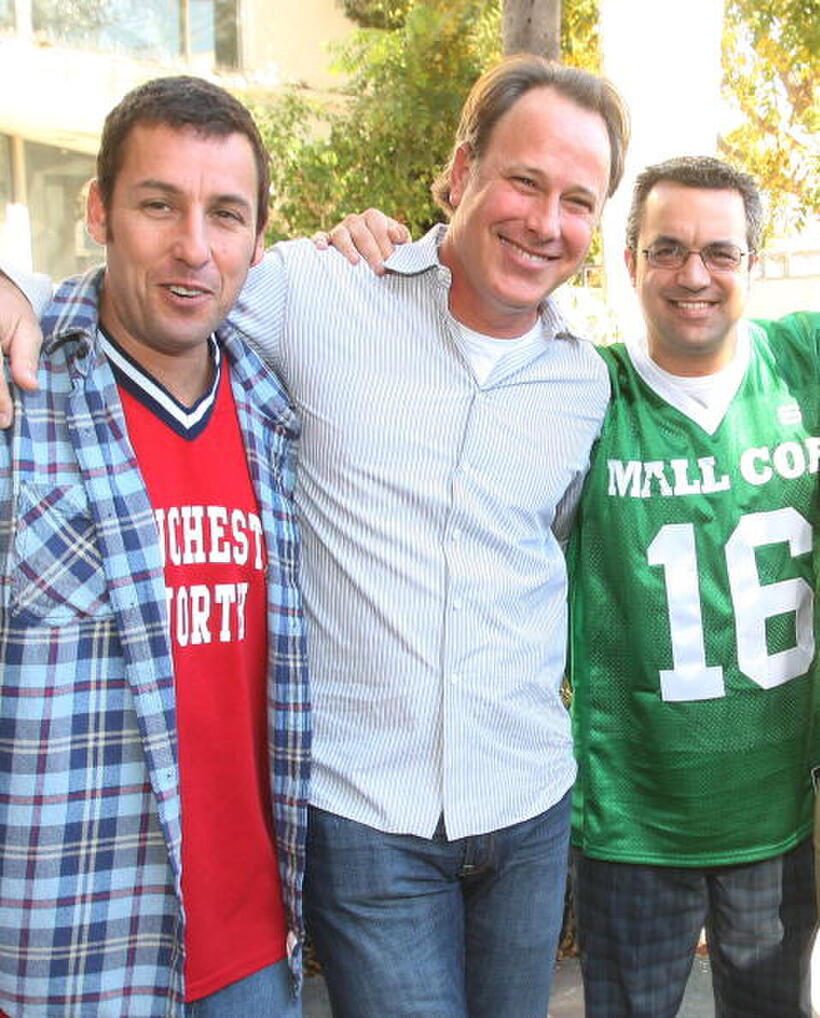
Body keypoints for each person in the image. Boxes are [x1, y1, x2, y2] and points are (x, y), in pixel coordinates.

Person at [0, 54, 630, 1018]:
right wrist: (13, 283)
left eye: (578, 199)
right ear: (460, 174)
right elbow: (156, 296)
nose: (546, 222)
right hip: (365, 814)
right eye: (523, 180)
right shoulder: (316, 290)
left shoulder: (585, 386)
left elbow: (549, 541)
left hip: (529, 807)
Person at [0, 77, 310, 1017]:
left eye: (226, 215)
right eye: (157, 205)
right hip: (69, 953)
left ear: (260, 237)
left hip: (256, 950)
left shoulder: (274, 408)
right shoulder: (22, 396)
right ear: (97, 210)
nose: (194, 249)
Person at [567, 156, 818, 1017]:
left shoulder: (802, 365)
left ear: (753, 260)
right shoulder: (583, 391)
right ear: (629, 258)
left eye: (720, 252)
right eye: (667, 249)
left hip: (777, 818)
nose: (693, 275)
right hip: (636, 821)